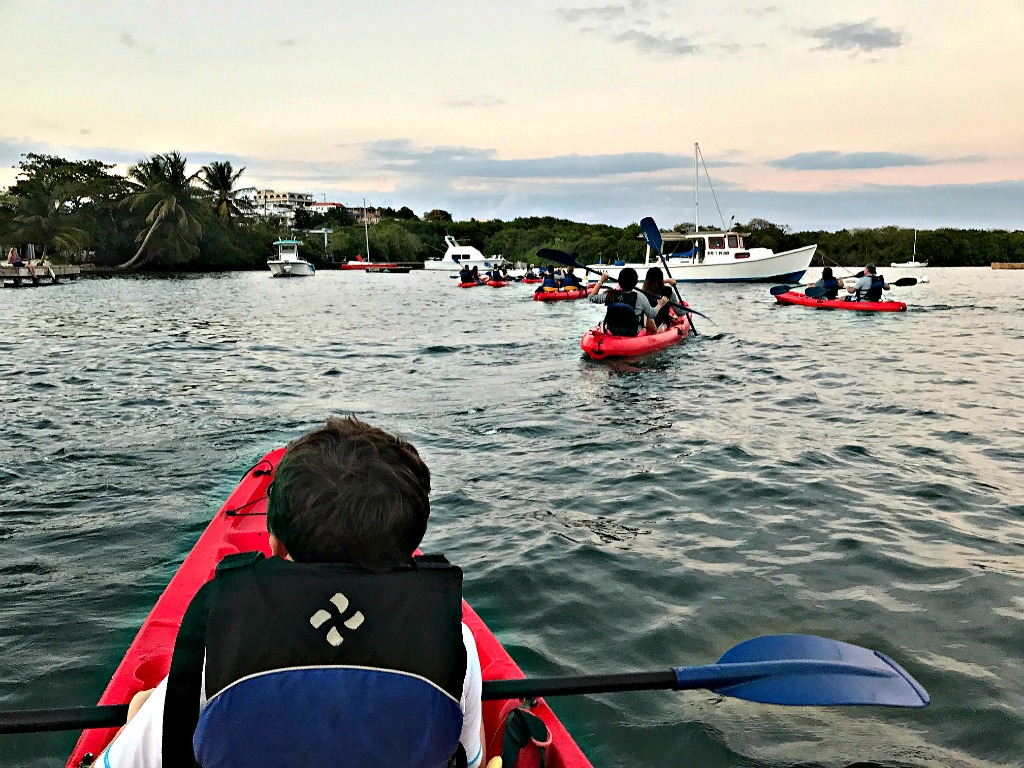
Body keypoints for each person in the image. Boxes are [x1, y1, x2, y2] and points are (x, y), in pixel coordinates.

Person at [99, 417, 486, 768]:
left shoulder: (221, 637)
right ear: (410, 547)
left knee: (140, 705)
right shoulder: (455, 639)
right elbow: (469, 759)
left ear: (276, 545)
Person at [589, 267, 667, 335]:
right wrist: (660, 304)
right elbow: (652, 314)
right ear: (635, 283)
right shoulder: (640, 297)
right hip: (634, 332)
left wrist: (601, 281)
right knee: (644, 313)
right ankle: (655, 331)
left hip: (612, 331)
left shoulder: (610, 294)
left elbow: (592, 297)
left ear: (619, 281)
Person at [641, 267, 677, 331]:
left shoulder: (644, 291)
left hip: (649, 321)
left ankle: (645, 328)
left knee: (646, 314)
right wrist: (668, 281)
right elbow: (679, 312)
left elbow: (649, 284)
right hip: (660, 322)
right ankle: (658, 329)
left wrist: (667, 281)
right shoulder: (668, 290)